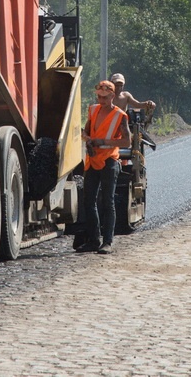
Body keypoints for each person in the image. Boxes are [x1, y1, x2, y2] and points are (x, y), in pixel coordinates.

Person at [77, 79, 131, 255]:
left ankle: (107, 241)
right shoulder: (93, 109)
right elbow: (85, 132)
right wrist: (88, 141)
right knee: (88, 201)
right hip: (92, 160)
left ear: (112, 96)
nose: (101, 100)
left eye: (105, 97)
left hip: (109, 161)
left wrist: (102, 142)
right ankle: (94, 240)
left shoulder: (120, 115)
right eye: (99, 96)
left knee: (107, 201)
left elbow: (127, 141)